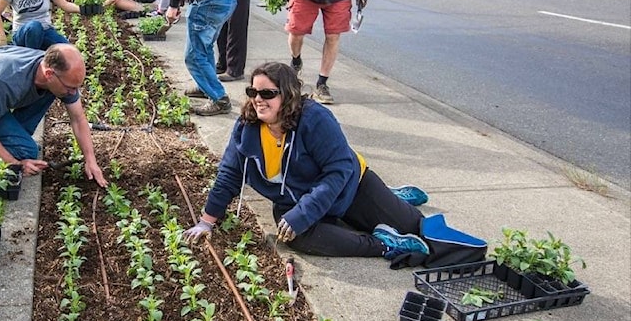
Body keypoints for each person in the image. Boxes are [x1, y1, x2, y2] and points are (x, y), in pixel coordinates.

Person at [183, 62, 485, 262]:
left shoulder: (315, 119)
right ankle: (385, 244)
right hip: (297, 195)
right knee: (297, 235)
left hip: (349, 184)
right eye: (253, 92)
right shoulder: (247, 127)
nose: (258, 99)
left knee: (413, 225)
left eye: (268, 93)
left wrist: (307, 210)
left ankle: (391, 196)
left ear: (287, 95)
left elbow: (338, 172)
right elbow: (229, 175)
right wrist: (206, 222)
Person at [0, 43, 108, 187]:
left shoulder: (53, 72)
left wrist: (90, 159)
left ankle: (13, 141)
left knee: (23, 142)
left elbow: (78, 119)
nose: (74, 92)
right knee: (25, 150)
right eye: (71, 87)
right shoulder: (9, 80)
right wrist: (15, 164)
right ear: (49, 74)